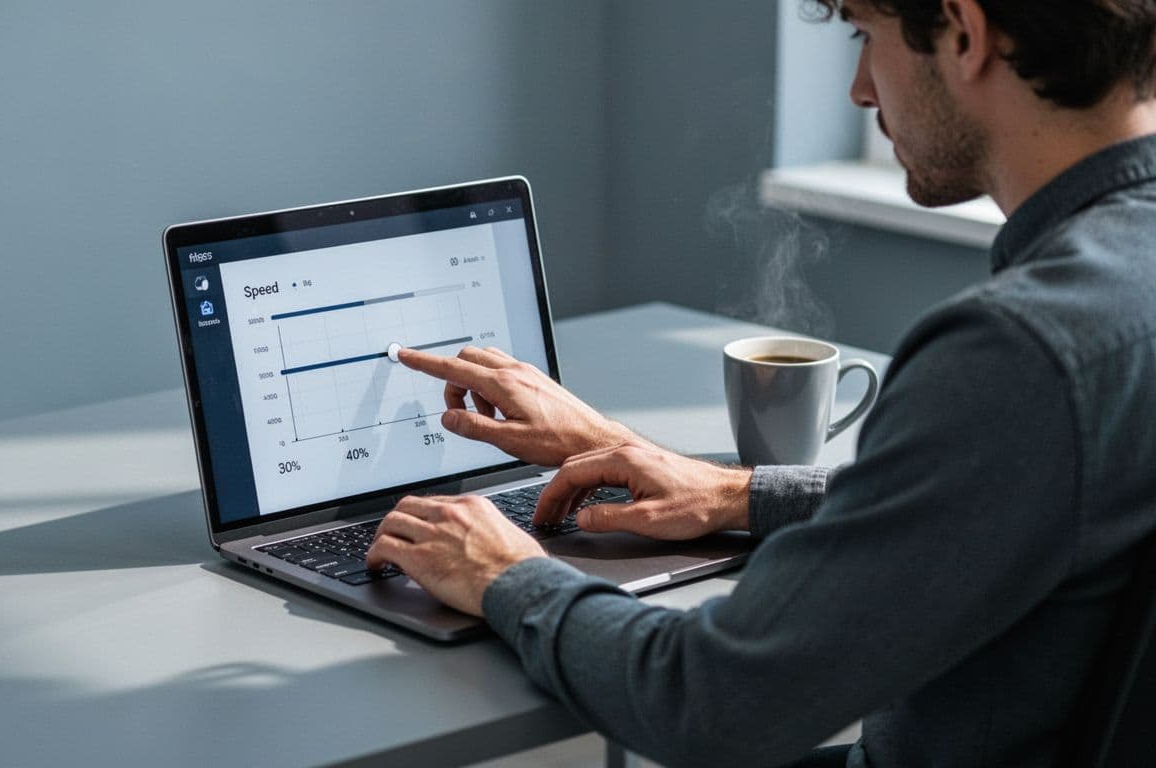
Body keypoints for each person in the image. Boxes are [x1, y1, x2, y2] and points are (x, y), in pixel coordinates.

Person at [364, 0, 1156, 764]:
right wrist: (729, 490)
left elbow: (709, 705)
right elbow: (1006, 503)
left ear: (965, 30)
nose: (859, 88)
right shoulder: (1107, 307)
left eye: (863, 34)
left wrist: (505, 574)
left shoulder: (1018, 355)